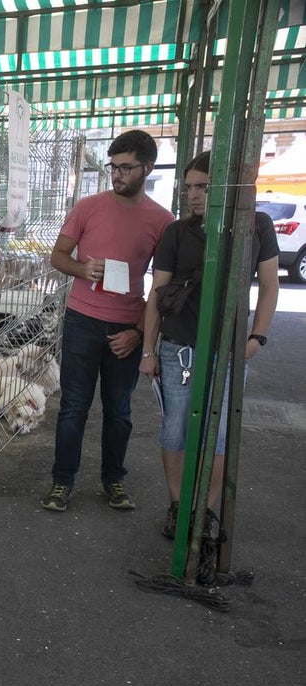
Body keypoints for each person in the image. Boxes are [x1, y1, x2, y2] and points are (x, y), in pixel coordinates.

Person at [138, 150, 279, 538]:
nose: (194, 195)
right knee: (175, 429)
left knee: (217, 435)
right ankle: (178, 505)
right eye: (189, 188)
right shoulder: (177, 232)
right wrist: (149, 350)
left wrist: (256, 338)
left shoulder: (257, 226)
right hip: (178, 348)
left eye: (203, 186)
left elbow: (270, 285)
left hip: (230, 349)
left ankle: (206, 511)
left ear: (228, 188)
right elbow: (157, 292)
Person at [41, 130, 175, 513]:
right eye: (113, 166)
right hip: (81, 320)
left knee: (119, 411)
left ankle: (114, 480)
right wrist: (83, 269)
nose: (116, 174)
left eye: (126, 167)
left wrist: (138, 333)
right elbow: (58, 256)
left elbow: (162, 288)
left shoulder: (163, 221)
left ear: (147, 168)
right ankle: (62, 482)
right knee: (73, 407)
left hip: (126, 329)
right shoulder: (88, 207)